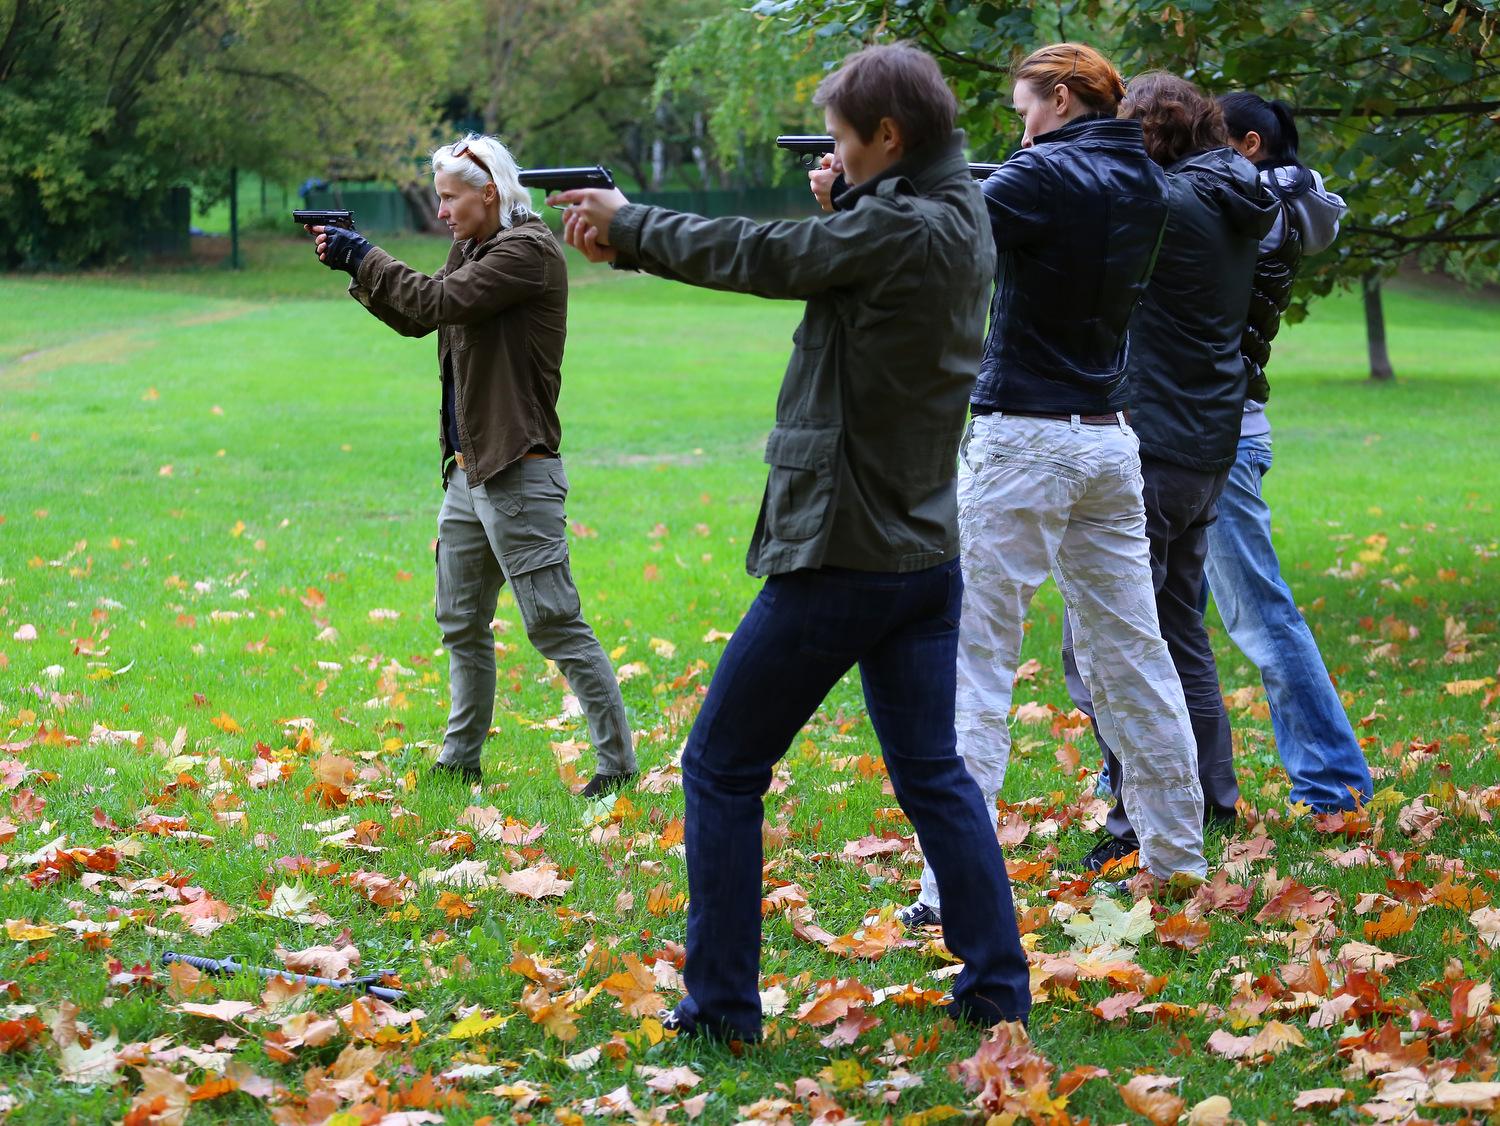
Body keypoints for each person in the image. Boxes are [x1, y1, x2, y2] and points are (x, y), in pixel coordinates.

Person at [551, 43, 1031, 1041]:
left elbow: (768, 259)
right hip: (921, 550)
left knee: (720, 766)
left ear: (890, 139)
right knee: (934, 775)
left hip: (846, 549)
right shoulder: (954, 209)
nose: (839, 159)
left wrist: (630, 226)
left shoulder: (896, 222)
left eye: (848, 144)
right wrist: (849, 199)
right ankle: (997, 987)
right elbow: (868, 271)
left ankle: (721, 1008)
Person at [816, 43, 1209, 927]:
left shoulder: (1038, 178)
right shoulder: (1148, 180)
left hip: (1024, 440)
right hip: (1110, 441)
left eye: (1025, 105)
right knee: (1136, 657)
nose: (1018, 122)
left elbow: (936, 241)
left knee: (977, 663)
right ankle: (1178, 855)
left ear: (1063, 98)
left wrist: (847, 195)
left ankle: (945, 890)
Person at [305, 133, 635, 797]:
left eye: (450, 199)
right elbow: (420, 320)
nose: (442, 212)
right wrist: (354, 268)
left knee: (554, 623)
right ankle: (461, 761)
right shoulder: (475, 245)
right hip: (467, 470)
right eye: (438, 200)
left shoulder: (528, 250)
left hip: (517, 469)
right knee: (460, 620)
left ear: (490, 193)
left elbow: (435, 302)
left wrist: (365, 255)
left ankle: (617, 766)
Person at [1062, 74, 1279, 871]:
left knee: (1102, 644)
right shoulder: (1230, 197)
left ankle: (1137, 816)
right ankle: (1210, 797)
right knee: (1179, 629)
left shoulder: (1171, 207)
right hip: (1202, 446)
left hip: (1152, 448)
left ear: (1149, 134)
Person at [1200, 93, 1372, 811]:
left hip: (1220, 436)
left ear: (1245, 147)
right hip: (1222, 429)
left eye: (1207, 143)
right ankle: (1153, 777)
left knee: (1262, 618)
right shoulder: (1276, 199)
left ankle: (1333, 780)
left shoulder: (1260, 207)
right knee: (1173, 618)